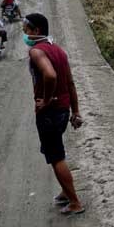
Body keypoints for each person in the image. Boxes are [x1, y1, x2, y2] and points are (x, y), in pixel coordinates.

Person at [23, 13, 86, 215]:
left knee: (56, 157)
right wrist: (75, 111)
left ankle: (75, 202)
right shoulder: (58, 50)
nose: (24, 32)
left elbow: (50, 75)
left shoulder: (36, 52)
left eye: (26, 29)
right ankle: (65, 192)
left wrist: (47, 100)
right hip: (62, 110)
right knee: (56, 150)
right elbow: (70, 83)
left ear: (36, 31)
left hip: (49, 113)